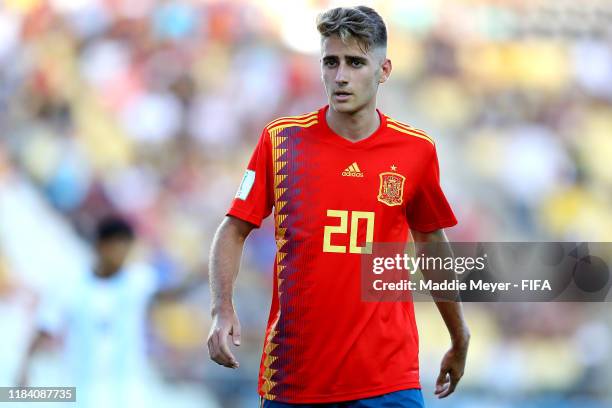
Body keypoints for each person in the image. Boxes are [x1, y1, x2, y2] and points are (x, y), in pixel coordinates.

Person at [208, 6, 470, 407]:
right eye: (331, 62)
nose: (341, 76)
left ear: (383, 71)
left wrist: (459, 333)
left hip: (388, 381)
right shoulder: (282, 142)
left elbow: (432, 243)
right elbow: (233, 228)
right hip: (296, 381)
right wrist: (221, 308)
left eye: (356, 62)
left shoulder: (416, 151)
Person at [16, 215, 208, 408]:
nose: (122, 254)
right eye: (117, 247)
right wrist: (25, 366)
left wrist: (202, 275)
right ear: (100, 245)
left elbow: (170, 294)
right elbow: (45, 327)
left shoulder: (137, 280)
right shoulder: (71, 286)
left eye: (127, 247)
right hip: (82, 387)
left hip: (127, 389)